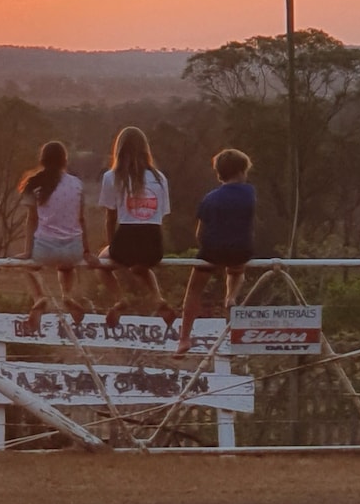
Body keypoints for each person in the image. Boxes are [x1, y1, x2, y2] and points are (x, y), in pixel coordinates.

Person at [173, 148, 256, 357]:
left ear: (220, 173)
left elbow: (200, 232)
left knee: (194, 290)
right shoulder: (249, 194)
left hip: (212, 249)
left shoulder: (210, 198)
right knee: (237, 271)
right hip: (240, 249)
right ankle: (231, 297)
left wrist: (208, 249)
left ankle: (184, 338)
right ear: (241, 171)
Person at [96, 126, 176, 329]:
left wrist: (112, 244)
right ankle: (158, 299)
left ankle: (119, 299)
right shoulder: (160, 178)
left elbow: (110, 217)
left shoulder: (112, 177)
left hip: (126, 239)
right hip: (154, 245)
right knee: (141, 265)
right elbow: (163, 214)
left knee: (102, 263)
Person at [16, 140, 96, 331]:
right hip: (73, 250)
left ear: (42, 159)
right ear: (64, 160)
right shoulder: (77, 184)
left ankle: (39, 298)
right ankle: (67, 296)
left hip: (45, 249)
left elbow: (32, 220)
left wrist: (28, 252)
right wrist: (86, 251)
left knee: (26, 266)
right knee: (67, 268)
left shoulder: (35, 185)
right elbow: (81, 219)